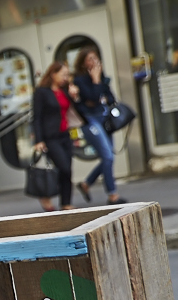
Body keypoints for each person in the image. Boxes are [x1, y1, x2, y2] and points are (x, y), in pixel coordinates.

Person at [73, 48, 125, 204]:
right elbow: (93, 97)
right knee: (108, 156)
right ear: (83, 63)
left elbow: (109, 98)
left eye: (96, 58)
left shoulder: (102, 78)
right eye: (90, 58)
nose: (94, 62)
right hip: (90, 121)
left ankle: (86, 183)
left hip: (104, 119)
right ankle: (112, 195)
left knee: (108, 157)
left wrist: (99, 87)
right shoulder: (80, 81)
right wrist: (95, 81)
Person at [32, 61, 80, 212]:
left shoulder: (65, 91)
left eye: (67, 75)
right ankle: (45, 195)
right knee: (63, 167)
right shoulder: (41, 92)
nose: (66, 78)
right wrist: (38, 140)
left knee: (68, 169)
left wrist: (75, 96)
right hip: (50, 136)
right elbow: (37, 117)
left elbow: (76, 110)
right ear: (53, 74)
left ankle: (66, 203)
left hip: (65, 135)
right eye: (63, 74)